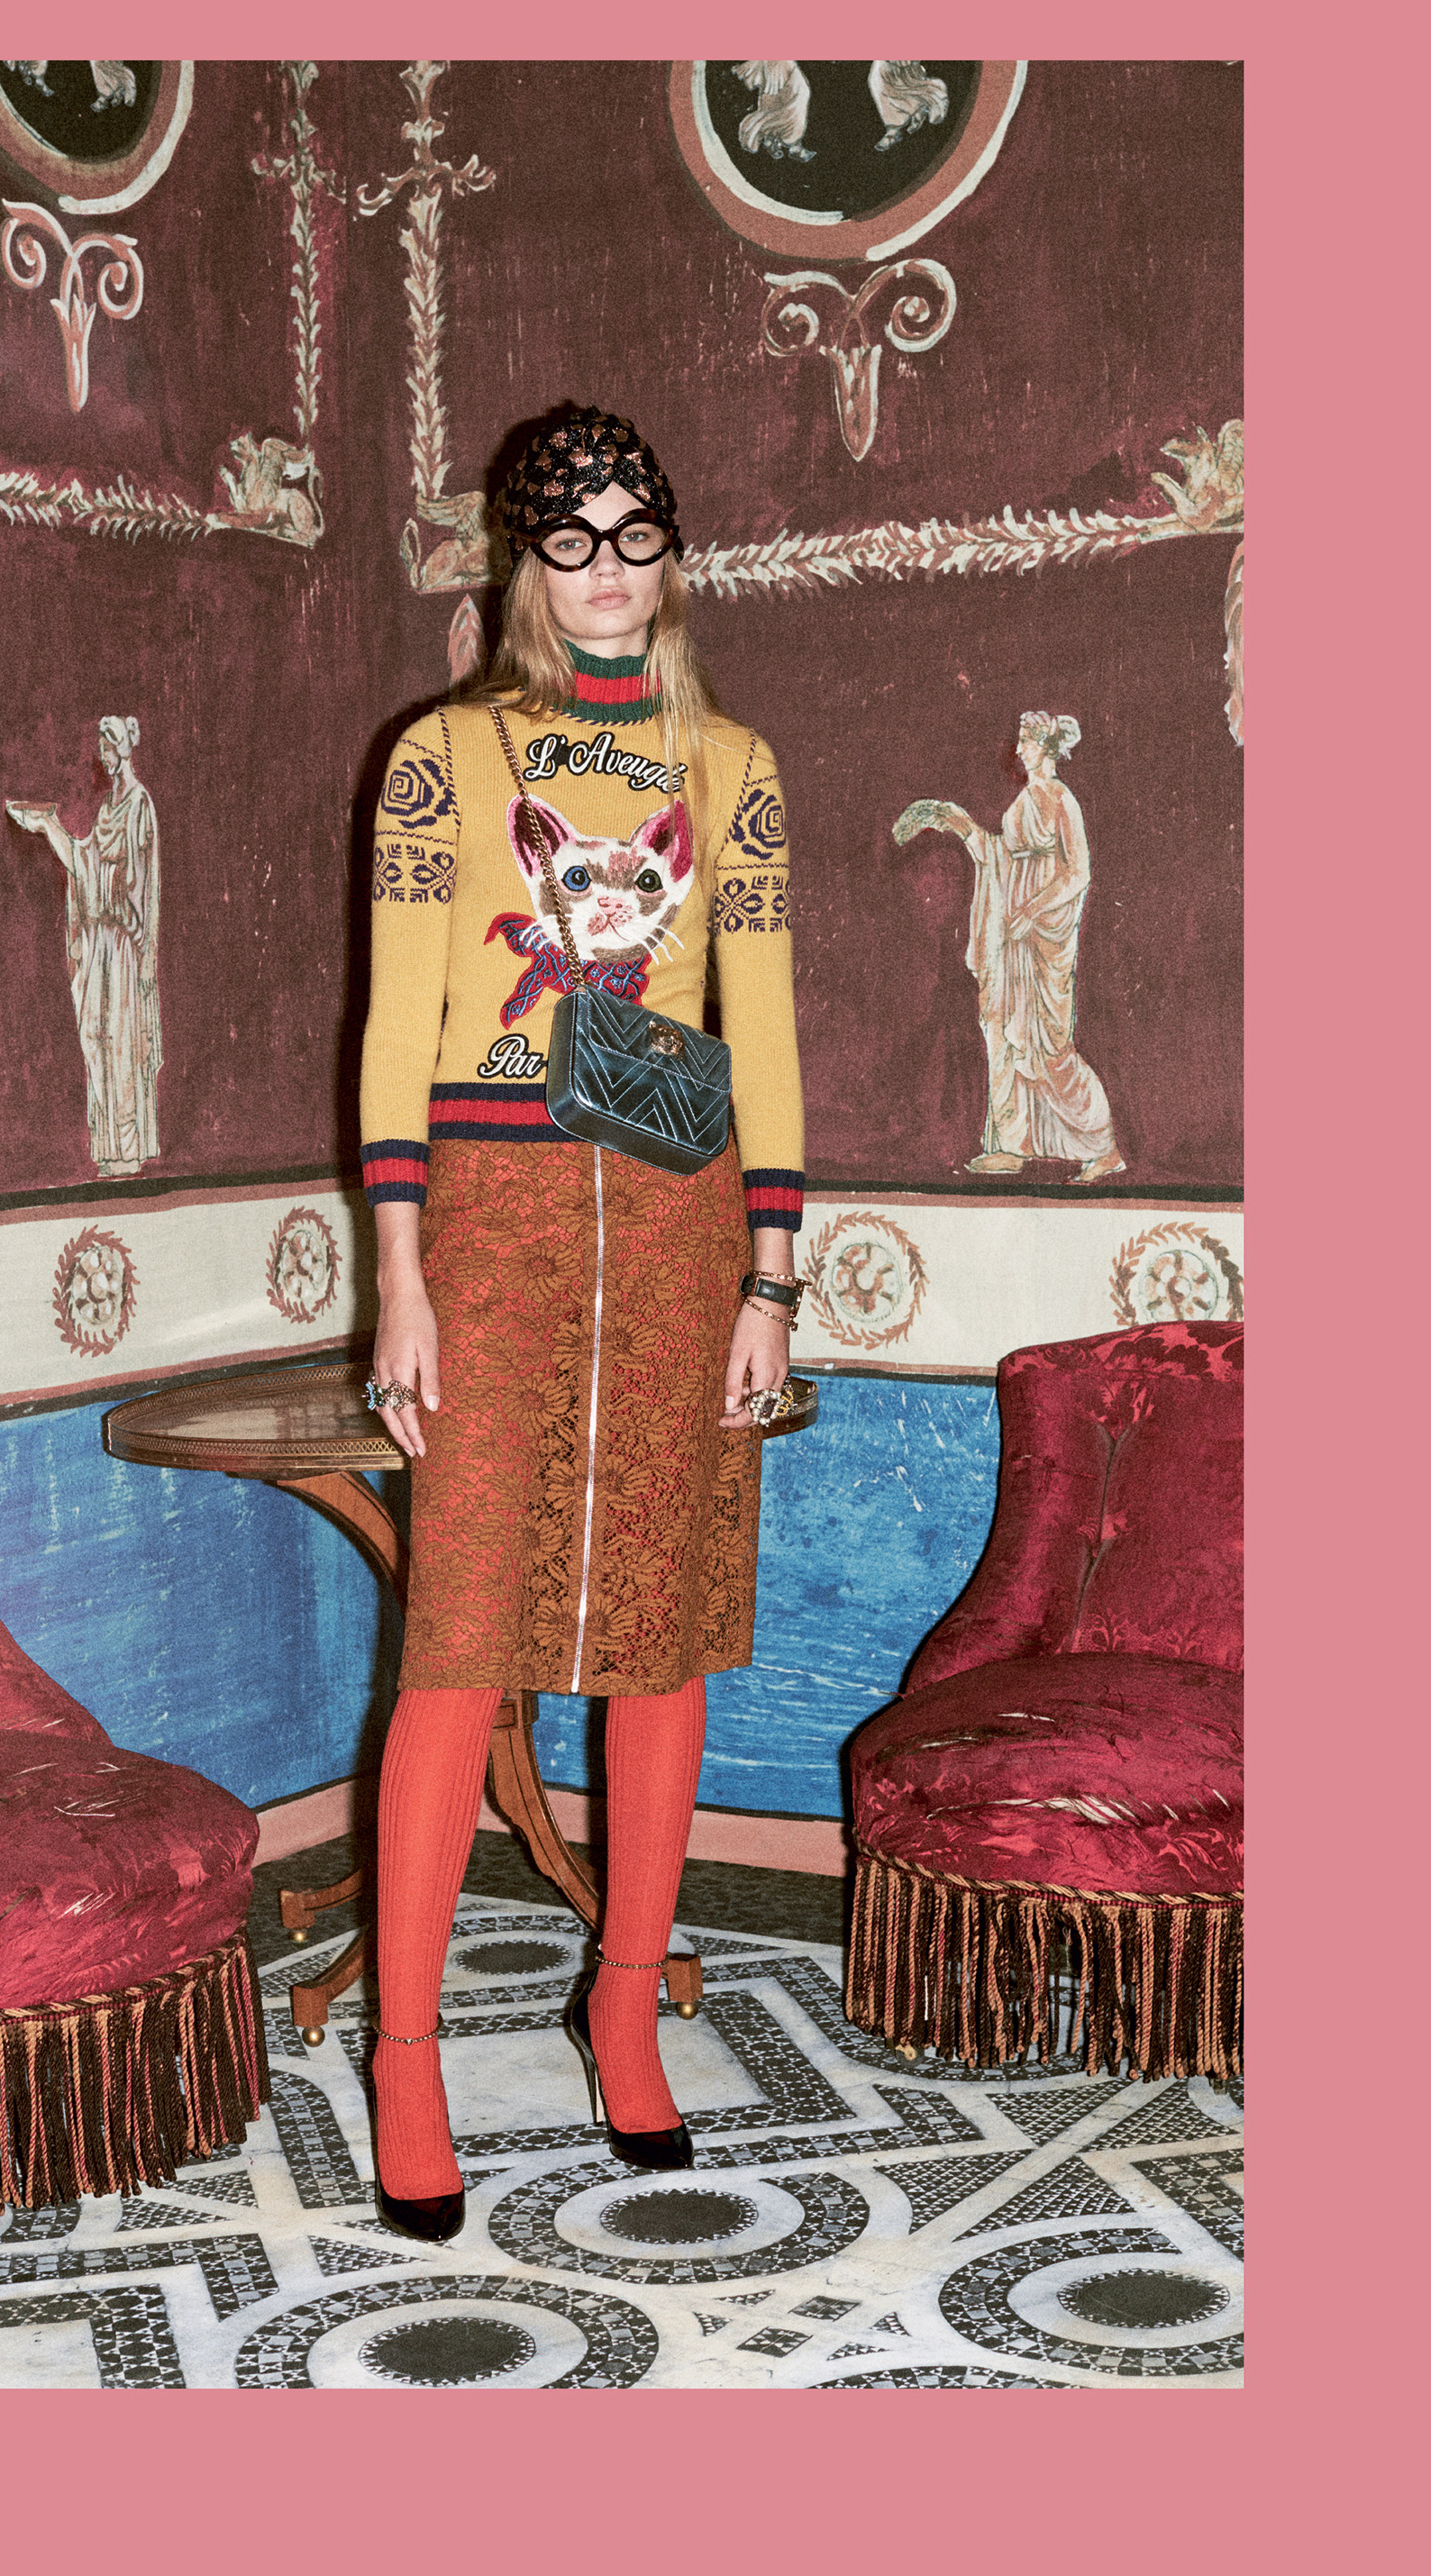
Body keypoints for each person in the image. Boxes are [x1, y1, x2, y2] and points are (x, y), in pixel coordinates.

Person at [357, 405, 806, 2239]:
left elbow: (763, 1030)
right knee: (459, 1642)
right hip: (491, 1230)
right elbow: (398, 1026)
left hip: (686, 1227)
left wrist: (772, 1278)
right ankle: (402, 2057)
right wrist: (400, 1278)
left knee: (662, 1636)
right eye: (572, 538)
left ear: (670, 555)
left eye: (635, 535)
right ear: (522, 562)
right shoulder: (443, 761)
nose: (607, 570)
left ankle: (624, 2004)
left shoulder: (736, 766)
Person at [896, 709, 1123, 1181]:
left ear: (1047, 746)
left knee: (1049, 1049)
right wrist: (957, 824)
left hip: (1042, 939)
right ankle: (1011, 1144)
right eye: (1019, 741)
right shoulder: (1025, 799)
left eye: (1026, 741)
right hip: (1012, 938)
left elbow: (1078, 872)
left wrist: (1033, 910)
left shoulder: (1062, 800)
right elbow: (1000, 856)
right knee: (1002, 1034)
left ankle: (1103, 1147)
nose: (1018, 750)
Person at [7, 715, 162, 1176]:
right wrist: (48, 826)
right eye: (101, 747)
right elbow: (86, 863)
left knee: (120, 1042)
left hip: (124, 944)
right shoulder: (108, 808)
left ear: (124, 748)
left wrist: (123, 913)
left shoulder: (138, 804)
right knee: (96, 1035)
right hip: (100, 944)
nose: (103, 755)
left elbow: (138, 884)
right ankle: (109, 1147)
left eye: (108, 747)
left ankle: (127, 1150)